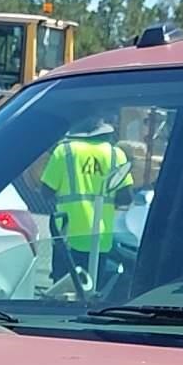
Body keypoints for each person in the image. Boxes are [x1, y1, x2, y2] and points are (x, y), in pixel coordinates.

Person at [37, 118, 132, 286]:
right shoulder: (116, 154)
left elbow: (46, 192)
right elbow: (126, 197)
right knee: (94, 289)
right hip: (100, 238)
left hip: (66, 235)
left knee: (62, 291)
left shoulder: (64, 151)